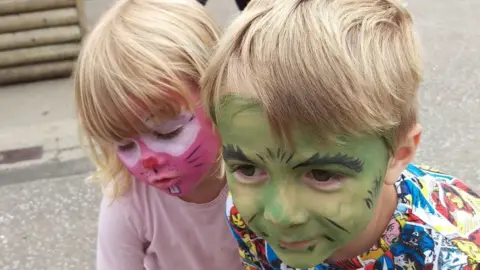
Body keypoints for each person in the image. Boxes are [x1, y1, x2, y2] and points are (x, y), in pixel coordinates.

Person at [200, 0, 480, 269]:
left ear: (399, 152)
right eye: (248, 169)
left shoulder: (455, 258)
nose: (280, 216)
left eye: (322, 175)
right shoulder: (244, 219)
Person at [75, 0, 244, 269]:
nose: (149, 162)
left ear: (219, 93)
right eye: (125, 145)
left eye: (169, 132)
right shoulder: (129, 199)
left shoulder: (260, 170)